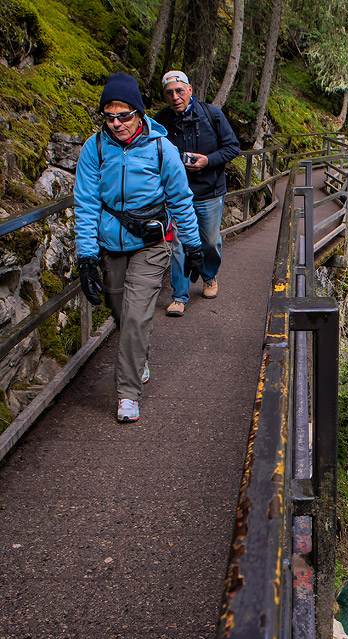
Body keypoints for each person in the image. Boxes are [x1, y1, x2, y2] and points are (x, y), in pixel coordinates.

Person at [74, 73, 204, 423]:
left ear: (139, 113)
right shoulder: (95, 148)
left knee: (135, 315)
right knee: (119, 310)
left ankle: (127, 394)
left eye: (124, 116)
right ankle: (138, 358)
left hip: (152, 243)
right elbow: (86, 203)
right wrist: (86, 256)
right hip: (110, 244)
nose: (116, 124)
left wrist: (193, 246)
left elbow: (180, 200)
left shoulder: (162, 149)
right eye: (109, 116)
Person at [154, 70, 240, 316]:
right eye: (169, 93)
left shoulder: (211, 115)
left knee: (210, 241)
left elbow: (233, 147)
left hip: (210, 191)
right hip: (177, 196)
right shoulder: (161, 121)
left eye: (179, 91)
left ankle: (209, 276)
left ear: (190, 90)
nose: (175, 97)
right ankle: (179, 296)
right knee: (179, 244)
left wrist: (208, 161)